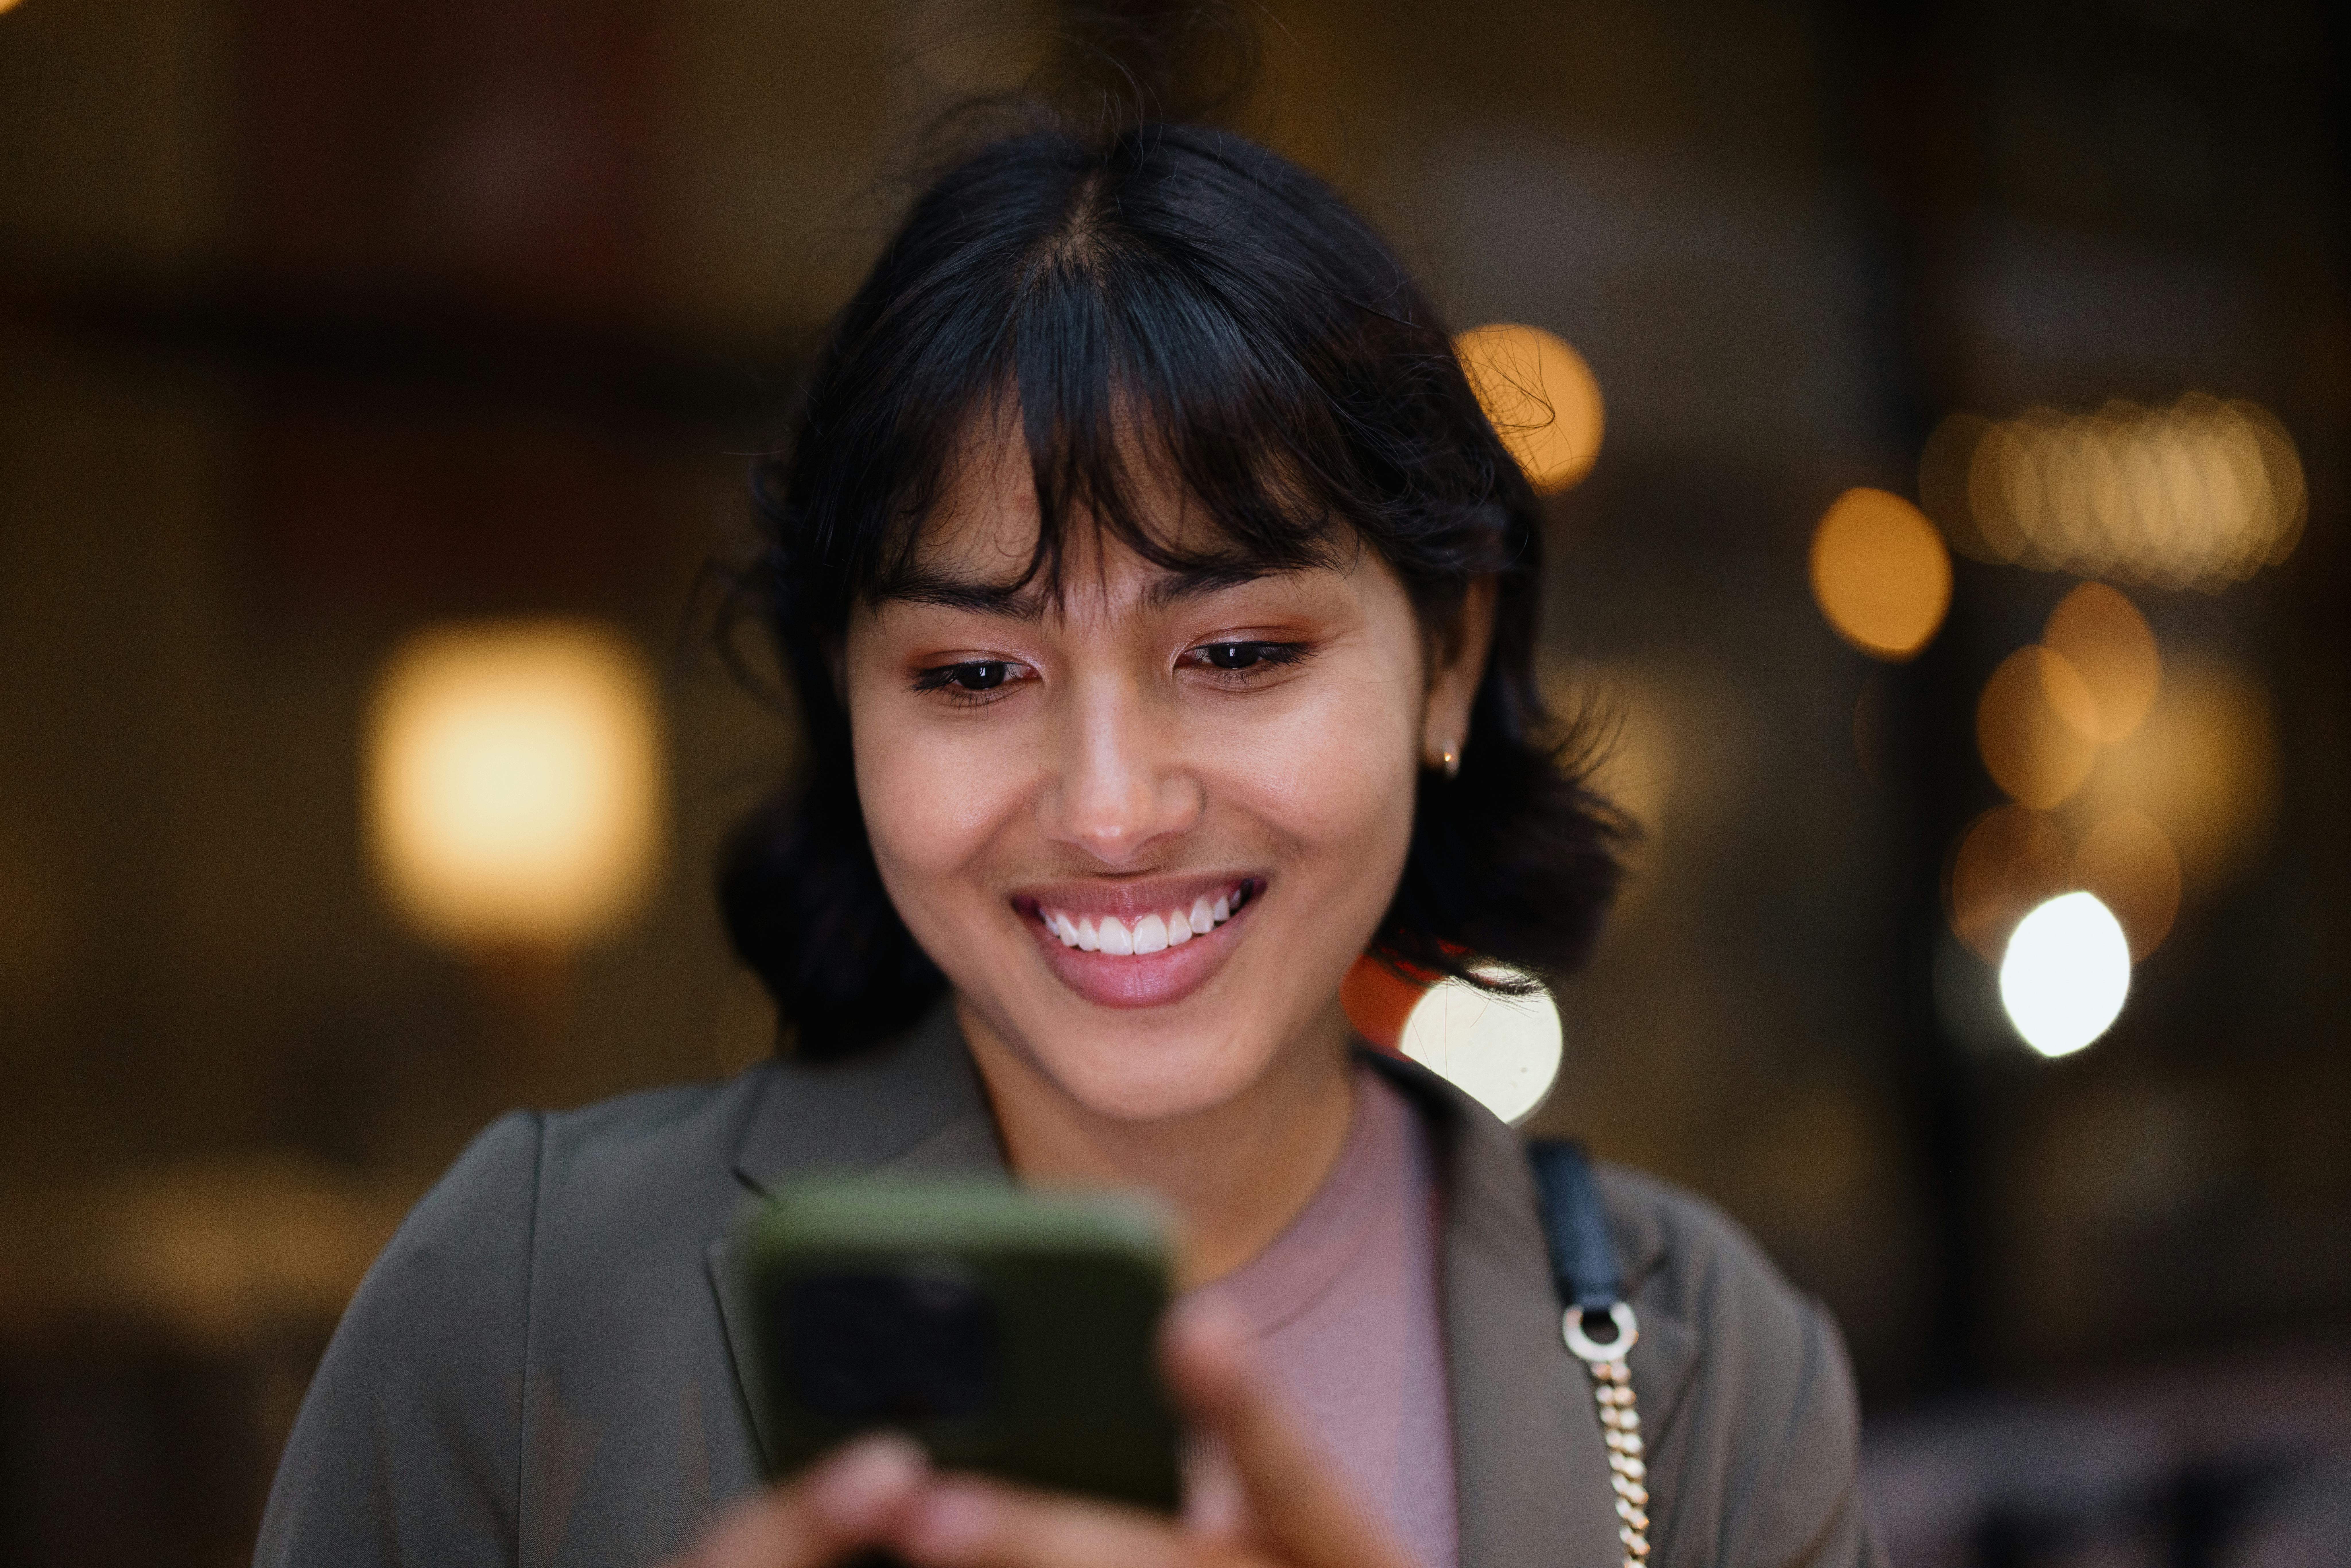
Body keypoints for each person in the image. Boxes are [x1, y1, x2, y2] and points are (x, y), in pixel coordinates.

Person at [253, 102, 1885, 1568]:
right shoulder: (530, 1302)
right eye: (973, 672)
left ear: (1449, 655)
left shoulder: (1707, 1370)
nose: (1111, 808)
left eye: (1239, 654)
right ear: (848, 702)